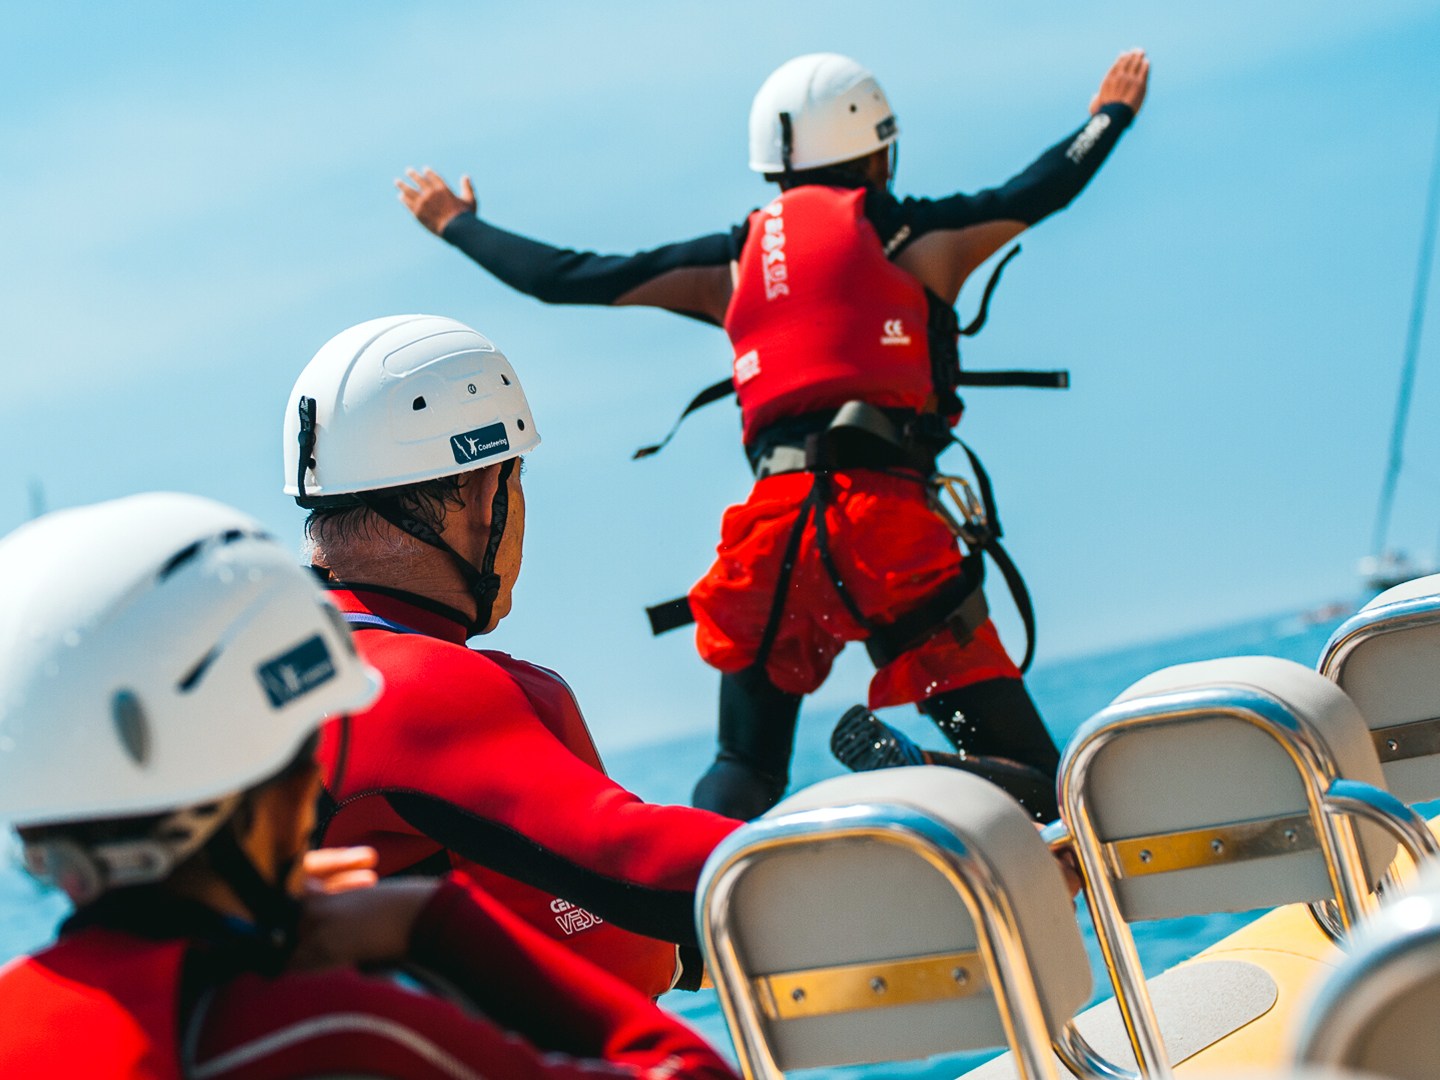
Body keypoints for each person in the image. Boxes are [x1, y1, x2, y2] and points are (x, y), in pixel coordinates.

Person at [394, 50, 1149, 824]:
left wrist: (457, 221)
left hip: (773, 537)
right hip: (887, 533)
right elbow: (1043, 187)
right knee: (1033, 772)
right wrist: (1110, 116)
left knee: (744, 766)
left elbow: (565, 275)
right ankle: (928, 770)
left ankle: (697, 916)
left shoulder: (733, 258)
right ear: (878, 151)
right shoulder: (913, 235)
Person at [0, 492, 737, 1079]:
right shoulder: (328, 1033)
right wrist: (431, 922)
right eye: (300, 758)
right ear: (265, 790)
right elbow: (688, 1071)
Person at [284, 314, 741, 1000]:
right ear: (483, 491)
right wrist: (892, 847)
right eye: (516, 481)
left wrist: (672, 954)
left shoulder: (280, 669)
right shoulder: (406, 683)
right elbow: (628, 859)